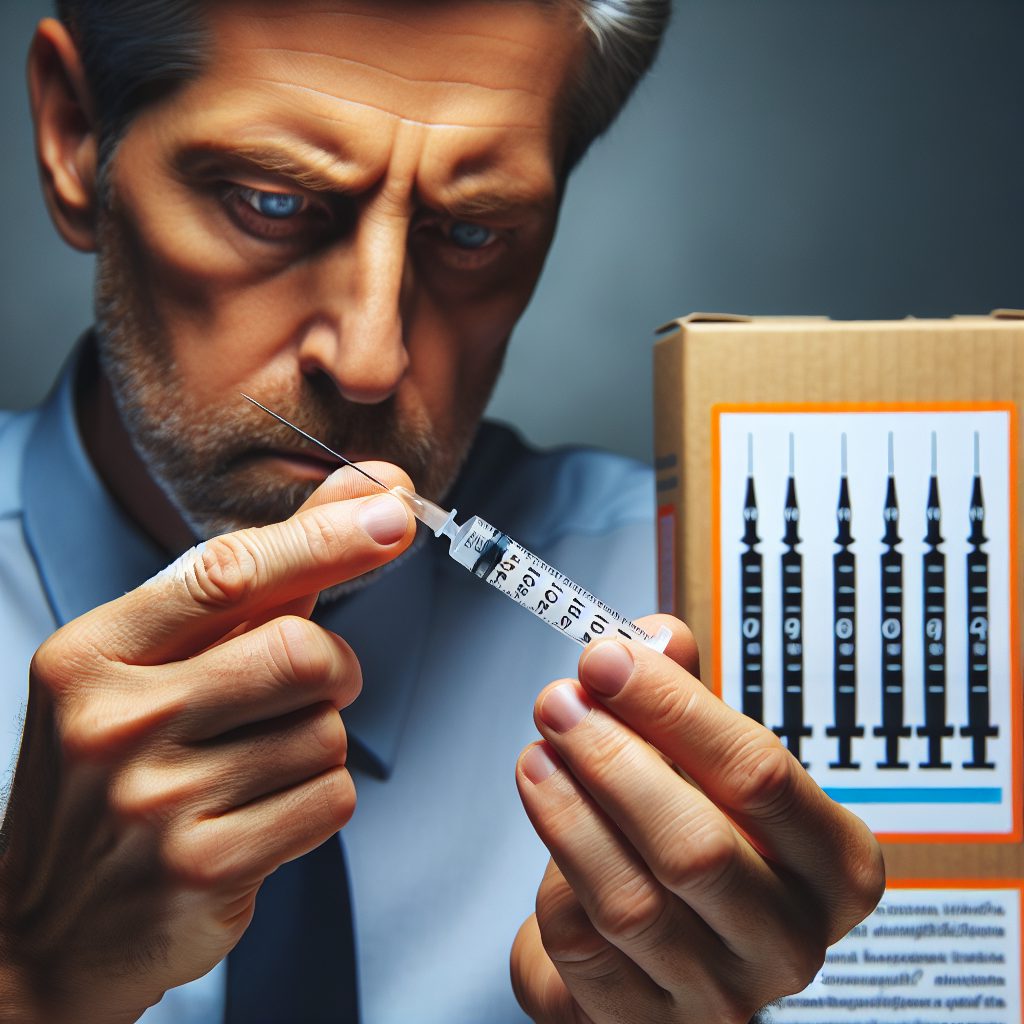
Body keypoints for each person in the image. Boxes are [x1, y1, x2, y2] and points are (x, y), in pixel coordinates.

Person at [0, 1, 885, 1021]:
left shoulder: (745, 612)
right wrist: (28, 981)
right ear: (75, 134)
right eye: (271, 204)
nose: (373, 361)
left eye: (472, 232)